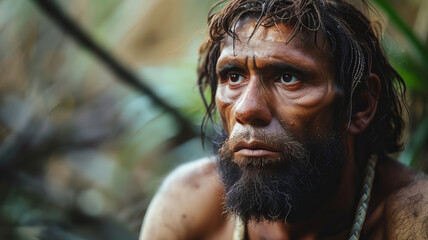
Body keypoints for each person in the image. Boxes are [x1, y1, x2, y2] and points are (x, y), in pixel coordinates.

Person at [139, 0, 428, 239]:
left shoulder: (414, 219)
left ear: (361, 104)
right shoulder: (186, 206)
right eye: (234, 76)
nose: (246, 109)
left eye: (288, 78)